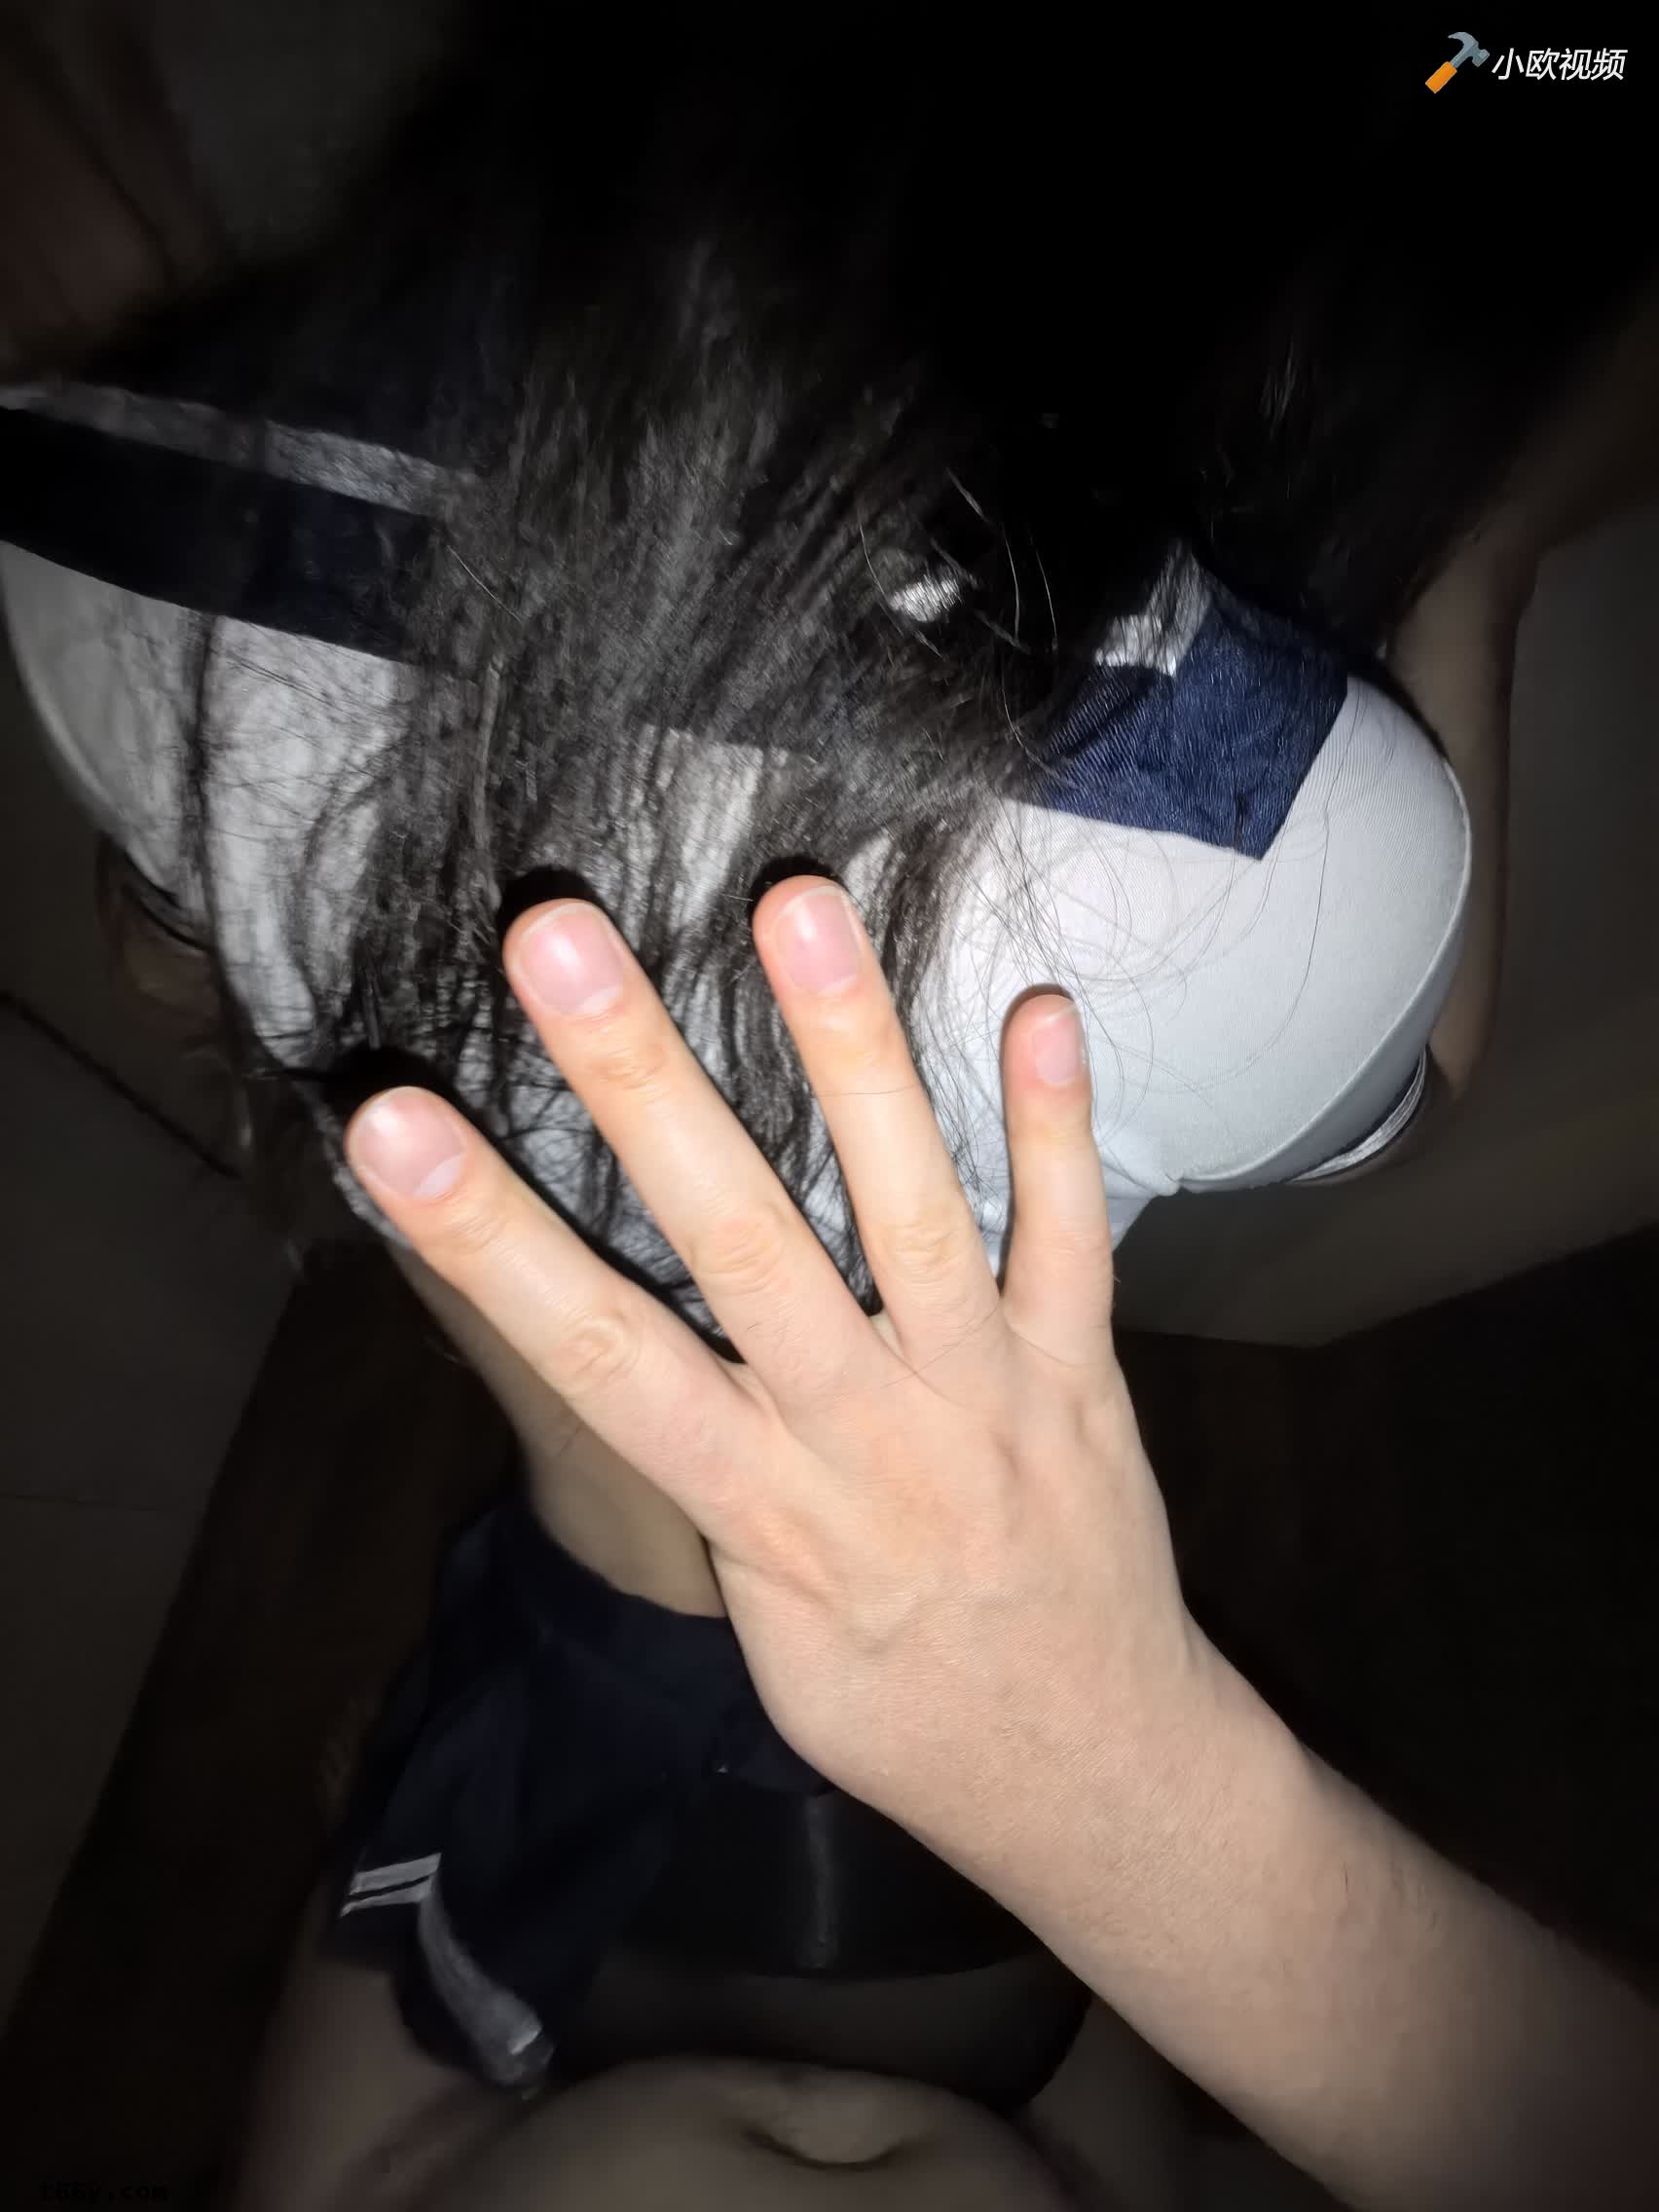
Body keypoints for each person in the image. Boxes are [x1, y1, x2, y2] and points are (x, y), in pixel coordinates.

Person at [228, 879, 1659, 2209]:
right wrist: (1129, 1810)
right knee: (658, 1443)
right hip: (1013, 2056)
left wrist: (394, 1826)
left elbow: (348, 2158)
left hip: (553, 2032)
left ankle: (285, 960)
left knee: (604, 1447)